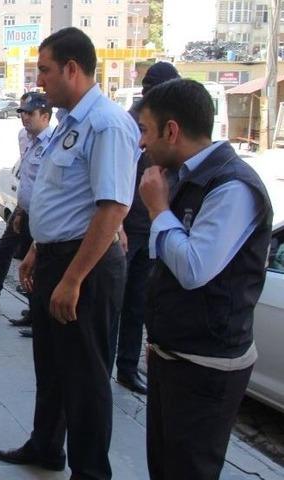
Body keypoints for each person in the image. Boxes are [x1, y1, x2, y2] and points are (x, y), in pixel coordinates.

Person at [0, 28, 139, 479]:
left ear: (72, 69)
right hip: (56, 256)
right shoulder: (70, 124)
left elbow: (112, 207)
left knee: (86, 376)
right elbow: (61, 197)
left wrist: (73, 279)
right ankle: (46, 446)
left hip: (86, 267)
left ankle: (91, 471)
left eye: (45, 69)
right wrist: (38, 248)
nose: (40, 80)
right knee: (52, 365)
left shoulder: (107, 124)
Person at [137, 78, 272, 480]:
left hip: (206, 365)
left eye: (145, 130)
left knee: (188, 470)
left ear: (172, 130)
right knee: (164, 466)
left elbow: (194, 269)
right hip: (174, 354)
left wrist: (158, 210)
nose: (141, 143)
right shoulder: (181, 175)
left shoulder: (231, 185)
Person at [113, 62, 180, 395]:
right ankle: (102, 365)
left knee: (137, 303)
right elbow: (117, 175)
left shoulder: (165, 122)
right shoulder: (131, 123)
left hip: (149, 225)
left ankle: (126, 368)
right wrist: (118, 224)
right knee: (113, 301)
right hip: (126, 226)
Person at [0, 93, 52, 326]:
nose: (24, 118)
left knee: (36, 260)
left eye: (30, 113)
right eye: (22, 113)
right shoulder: (24, 137)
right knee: (5, 249)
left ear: (45, 116)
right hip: (22, 208)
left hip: (41, 212)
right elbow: (26, 174)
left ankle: (36, 311)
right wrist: (20, 210)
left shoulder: (52, 143)